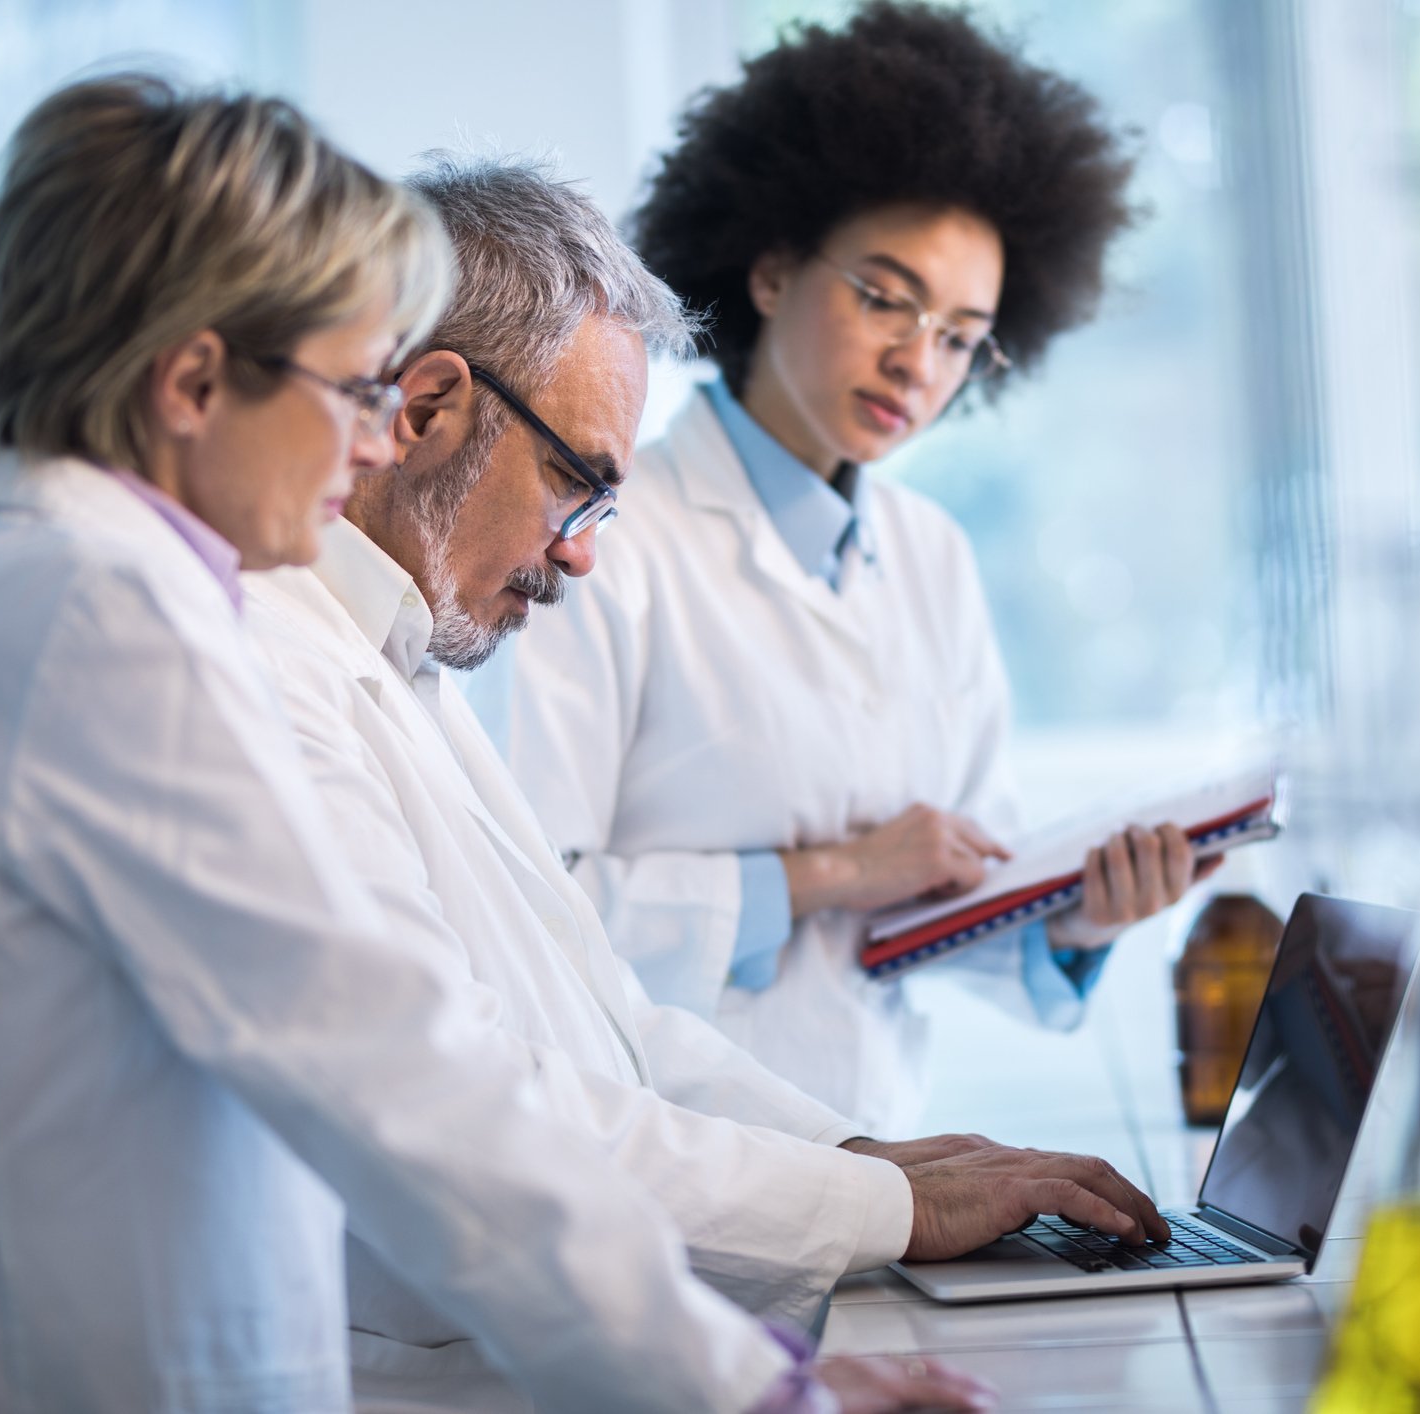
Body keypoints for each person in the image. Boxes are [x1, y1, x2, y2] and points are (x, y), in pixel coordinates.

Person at [0, 75, 1019, 1414]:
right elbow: (408, 1086)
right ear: (192, 382)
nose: (368, 441)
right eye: (351, 386)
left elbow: (573, 1034)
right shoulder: (104, 623)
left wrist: (859, 1193)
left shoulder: (55, 593)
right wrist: (757, 1391)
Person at [239, 152, 1168, 1412]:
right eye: (577, 484)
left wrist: (867, 1158)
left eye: (961, 334)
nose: (578, 559)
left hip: (679, 1251)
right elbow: (474, 1103)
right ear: (422, 412)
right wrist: (874, 1198)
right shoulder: (290, 661)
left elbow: (605, 1019)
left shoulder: (407, 651)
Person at [491, 1, 1211, 1133]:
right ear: (772, 270)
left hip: (882, 1169)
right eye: (887, 296)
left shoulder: (931, 559)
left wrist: (1077, 918)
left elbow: (941, 901)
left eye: (962, 335)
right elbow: (527, 913)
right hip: (666, 1179)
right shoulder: (599, 536)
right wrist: (829, 872)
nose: (917, 363)